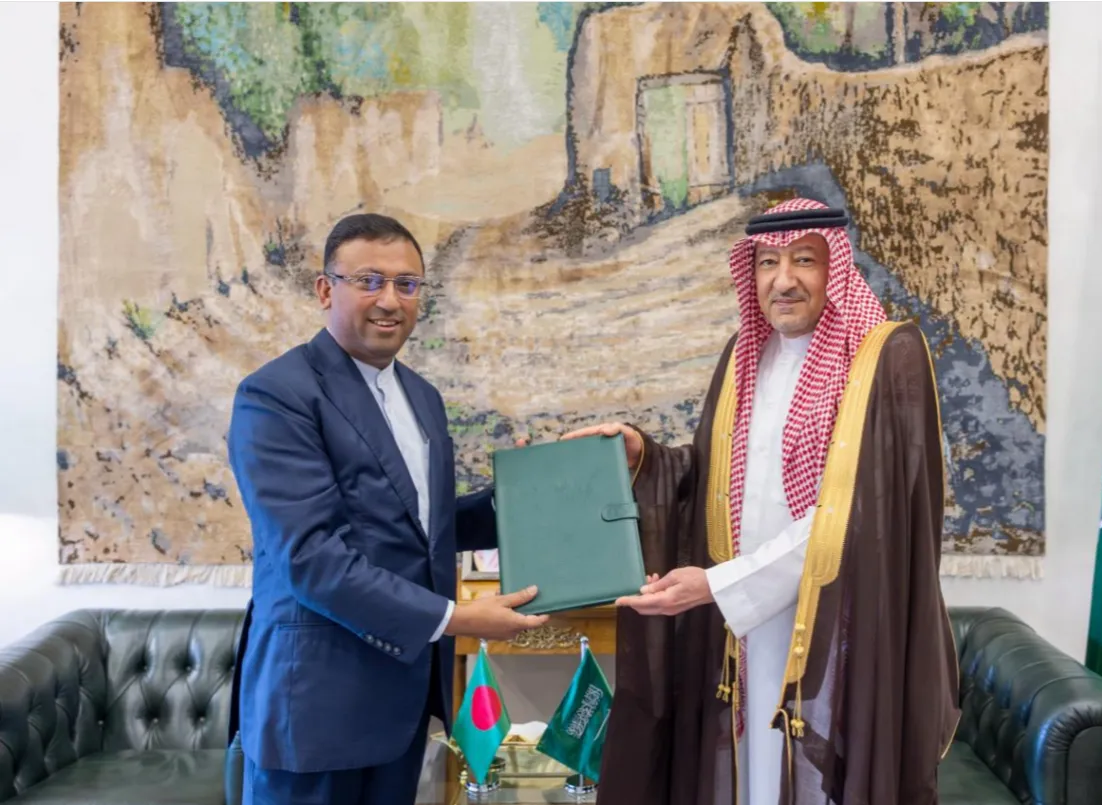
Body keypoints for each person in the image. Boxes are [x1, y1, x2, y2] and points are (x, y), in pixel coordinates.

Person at [564, 198, 960, 805]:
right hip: (741, 625)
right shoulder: (745, 355)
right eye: (768, 262)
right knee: (753, 778)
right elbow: (711, 480)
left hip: (840, 625)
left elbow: (860, 517)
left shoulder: (884, 359)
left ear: (836, 267)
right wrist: (645, 456)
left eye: (804, 260)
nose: (783, 279)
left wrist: (722, 584)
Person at [226, 213, 549, 805]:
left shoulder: (421, 396)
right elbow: (311, 559)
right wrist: (455, 618)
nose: (390, 300)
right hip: (316, 704)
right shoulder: (277, 394)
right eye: (369, 281)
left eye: (406, 283)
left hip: (400, 702)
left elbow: (425, 530)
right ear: (325, 290)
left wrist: (519, 499)